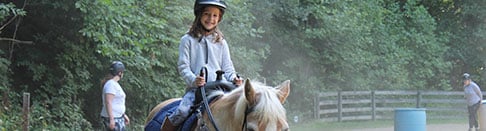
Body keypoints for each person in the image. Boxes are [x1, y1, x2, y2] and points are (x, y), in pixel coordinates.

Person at [161, 0, 243, 130]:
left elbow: (227, 67)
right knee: (182, 112)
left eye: (215, 15)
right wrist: (194, 80)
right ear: (199, 14)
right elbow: (183, 67)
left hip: (220, 89)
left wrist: (234, 78)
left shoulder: (221, 42)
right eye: (207, 14)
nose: (211, 18)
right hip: (197, 91)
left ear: (219, 18)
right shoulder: (187, 40)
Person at [100, 61, 130, 131]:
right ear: (120, 73)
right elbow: (108, 102)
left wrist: (123, 114)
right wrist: (111, 119)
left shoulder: (114, 84)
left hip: (118, 117)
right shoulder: (111, 84)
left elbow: (117, 102)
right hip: (113, 118)